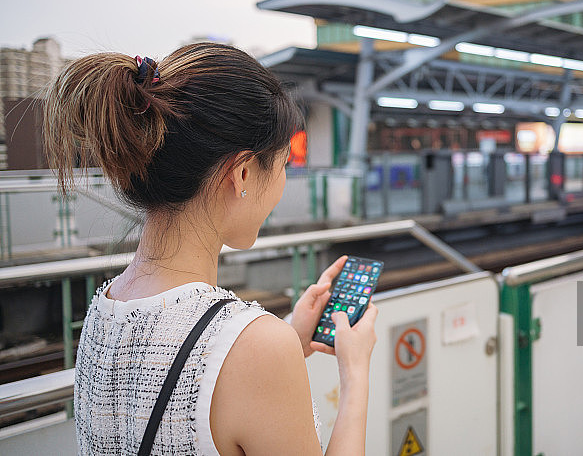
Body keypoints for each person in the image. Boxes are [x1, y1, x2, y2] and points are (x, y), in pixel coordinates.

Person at [43, 43, 378, 455]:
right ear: (242, 172)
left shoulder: (103, 310)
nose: (282, 183)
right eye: (283, 165)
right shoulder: (258, 346)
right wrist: (355, 372)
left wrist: (291, 339)